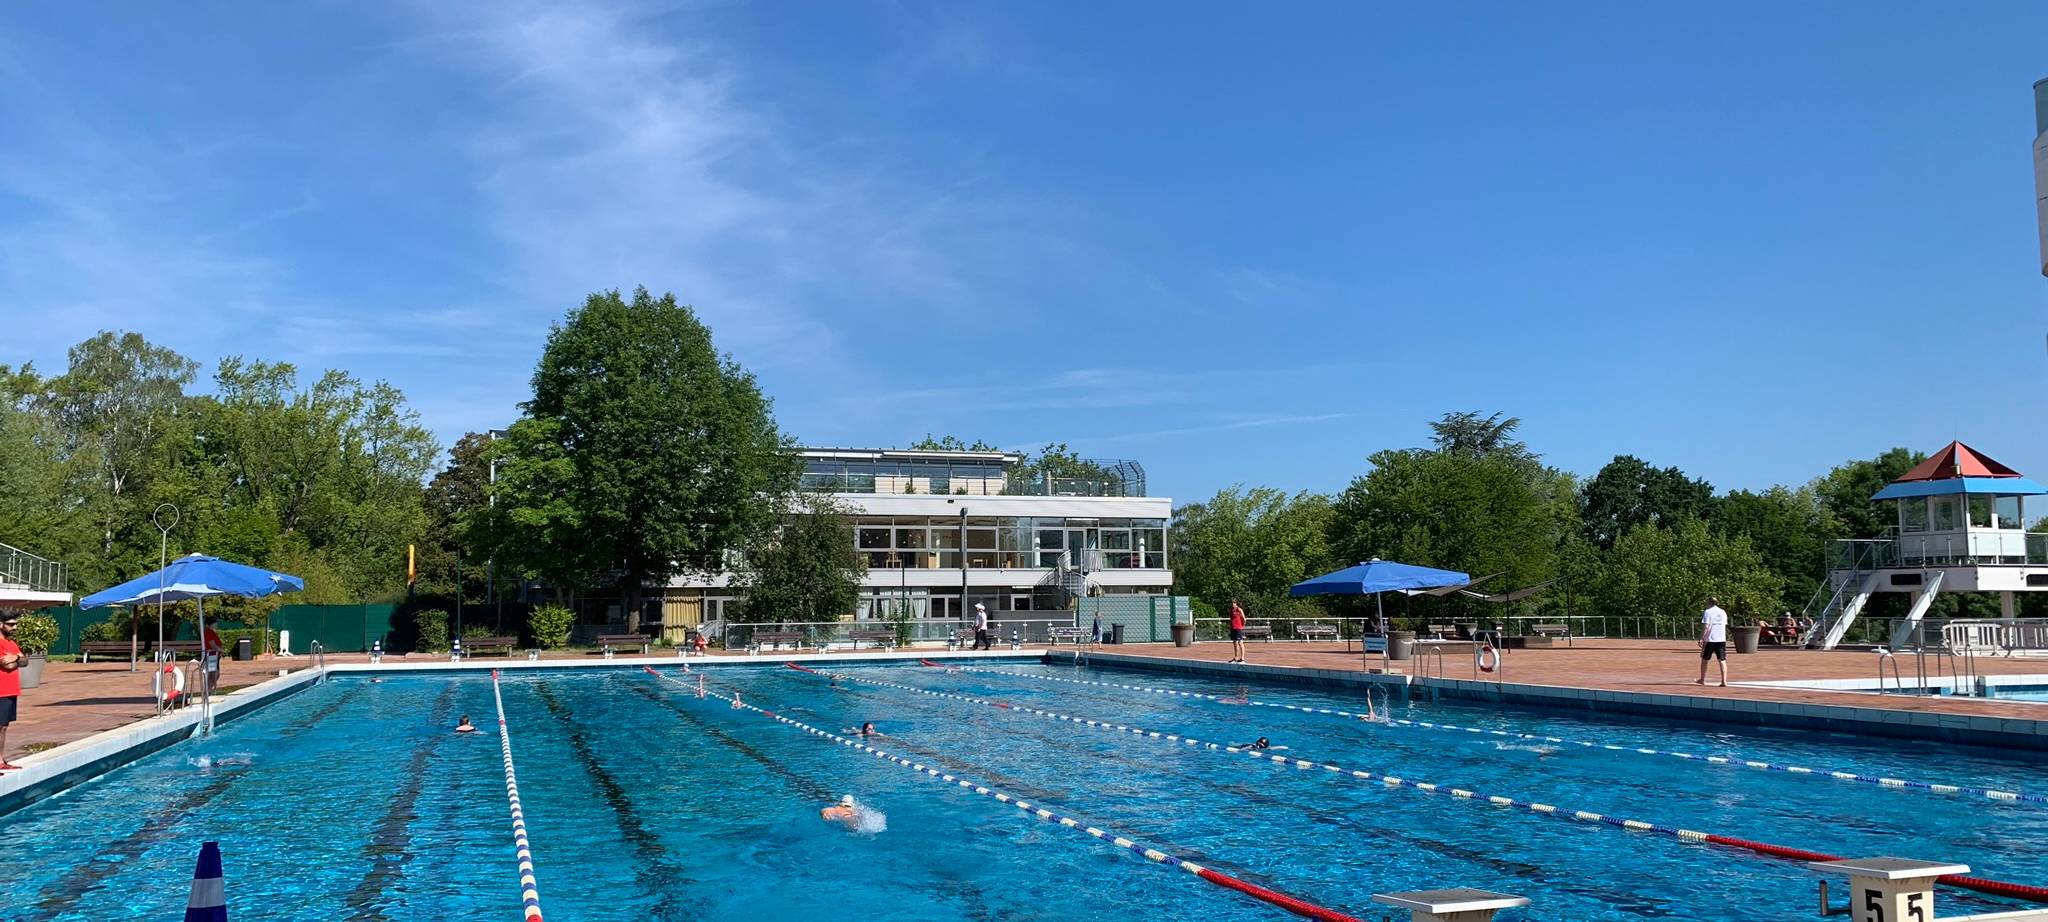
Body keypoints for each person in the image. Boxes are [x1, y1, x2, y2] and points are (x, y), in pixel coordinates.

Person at [0, 612, 22, 771]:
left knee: (3, 726)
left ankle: (0, 760)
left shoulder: (11, 643)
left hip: (10, 691)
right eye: (10, 624)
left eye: (15, 624)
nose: (15, 627)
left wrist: (15, 657)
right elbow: (6, 666)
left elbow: (25, 660)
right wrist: (18, 658)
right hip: (1, 691)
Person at [1697, 596, 1729, 688]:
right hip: (1721, 639)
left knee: (1705, 659)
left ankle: (1702, 679)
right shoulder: (1723, 612)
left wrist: (1701, 638)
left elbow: (1706, 626)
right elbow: (1724, 625)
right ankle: (1724, 681)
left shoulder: (1708, 612)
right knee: (1722, 660)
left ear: (1709, 603)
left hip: (1710, 639)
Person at [1227, 599, 1247, 664]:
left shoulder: (1239, 610)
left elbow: (1244, 619)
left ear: (1236, 603)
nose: (1232, 604)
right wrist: (1230, 627)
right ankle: (1236, 658)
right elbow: (1231, 619)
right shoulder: (1231, 610)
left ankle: (1243, 659)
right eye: (1232, 603)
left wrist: (1242, 626)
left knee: (1240, 643)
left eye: (1234, 603)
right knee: (1235, 644)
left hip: (1238, 628)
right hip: (1233, 628)